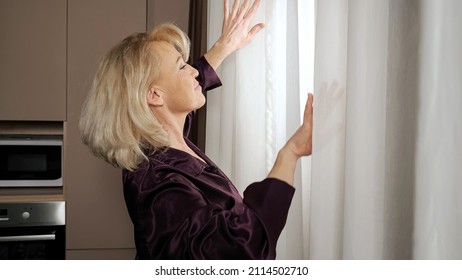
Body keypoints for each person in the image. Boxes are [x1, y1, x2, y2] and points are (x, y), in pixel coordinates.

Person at [79, 0, 313, 259]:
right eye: (181, 65)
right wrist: (288, 156)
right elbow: (238, 251)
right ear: (154, 95)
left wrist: (224, 46)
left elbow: (185, 86)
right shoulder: (157, 182)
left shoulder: (168, 139)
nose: (193, 71)